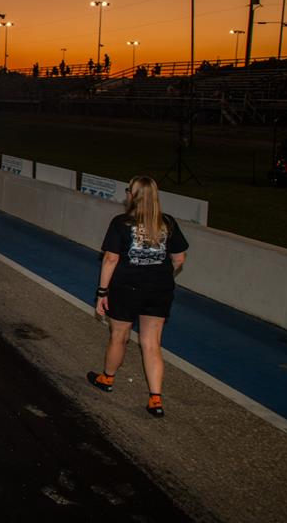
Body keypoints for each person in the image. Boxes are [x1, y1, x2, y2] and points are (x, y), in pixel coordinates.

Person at [88, 175, 188, 417]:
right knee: (152, 344)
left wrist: (102, 292)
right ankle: (155, 399)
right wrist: (159, 275)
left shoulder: (121, 223)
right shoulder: (168, 223)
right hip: (159, 290)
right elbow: (179, 259)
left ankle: (107, 379)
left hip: (126, 289)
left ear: (132, 195)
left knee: (119, 336)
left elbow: (111, 259)